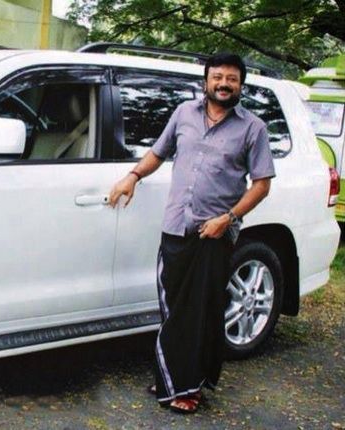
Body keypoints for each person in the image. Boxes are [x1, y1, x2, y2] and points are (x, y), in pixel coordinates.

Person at [108, 53, 275, 414]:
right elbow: (158, 152)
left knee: (199, 312)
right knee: (172, 308)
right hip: (175, 226)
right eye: (218, 77)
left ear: (240, 85)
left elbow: (261, 185)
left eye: (232, 78)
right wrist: (132, 177)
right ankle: (172, 378)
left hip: (214, 233)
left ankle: (187, 387)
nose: (224, 84)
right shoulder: (184, 114)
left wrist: (228, 218)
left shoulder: (253, 128)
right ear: (206, 81)